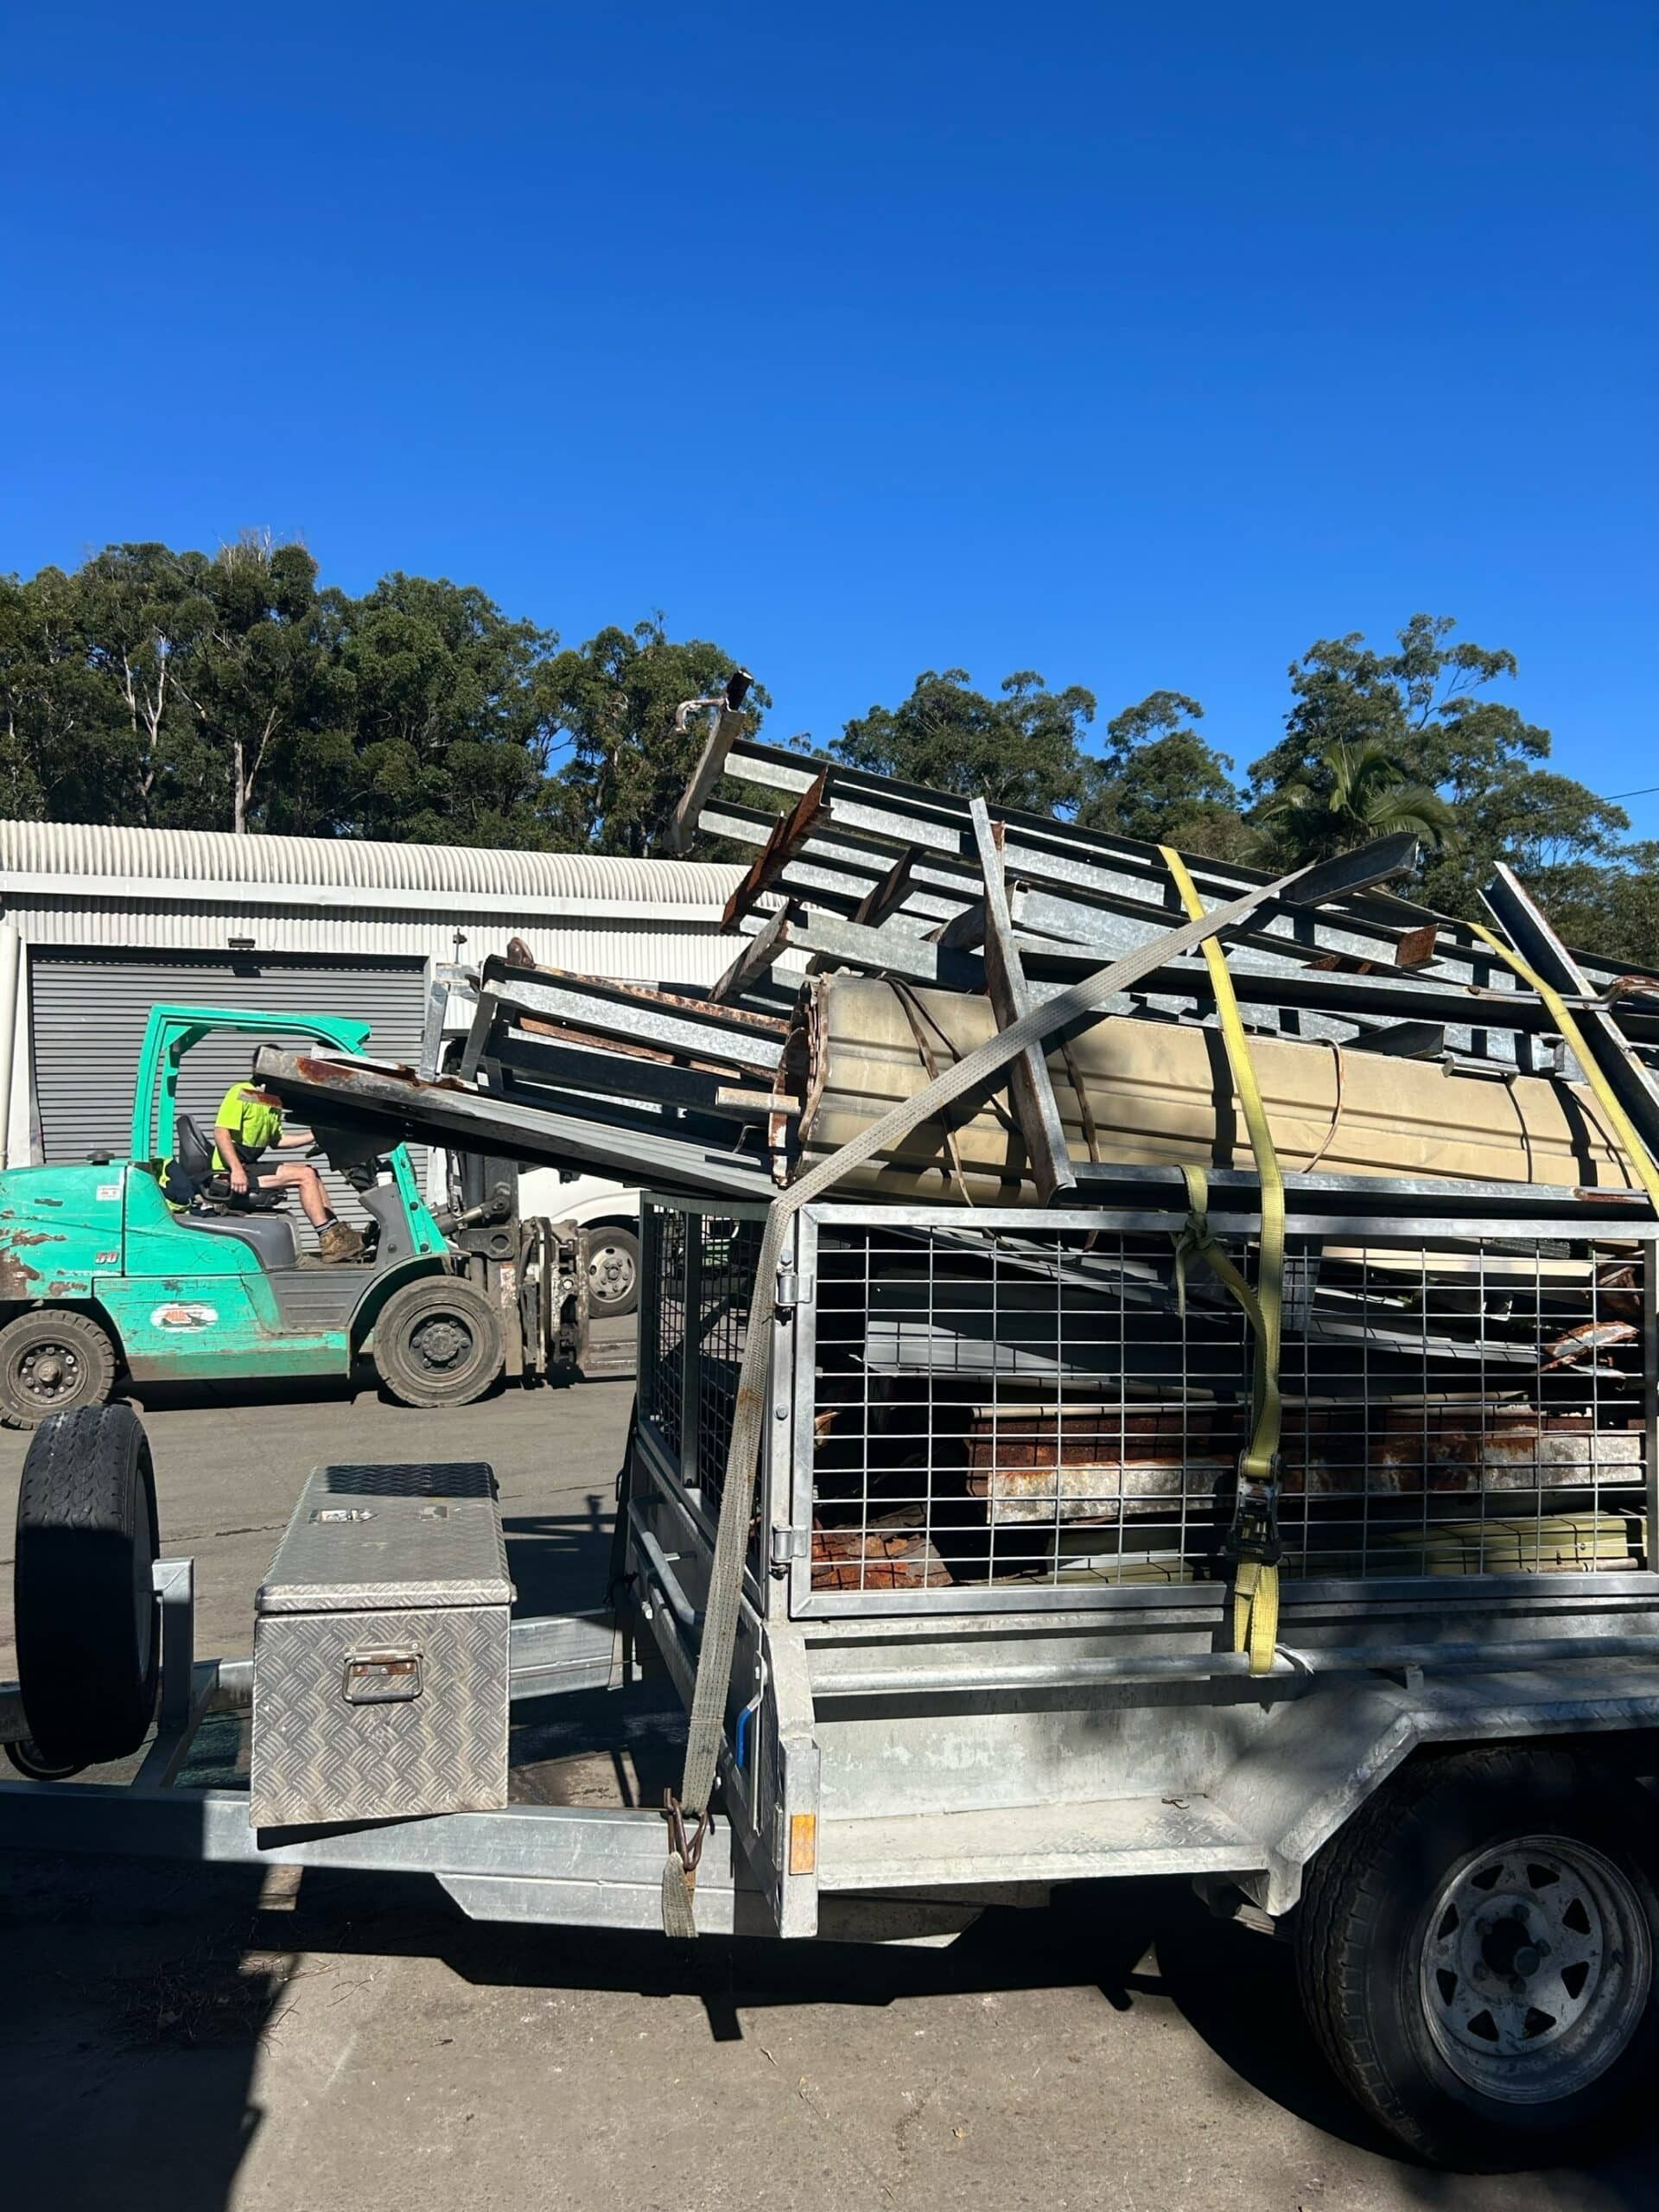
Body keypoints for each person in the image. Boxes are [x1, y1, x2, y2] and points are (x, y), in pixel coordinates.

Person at [213, 1060, 365, 1262]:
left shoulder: (269, 1101)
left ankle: (337, 1234)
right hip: (229, 1172)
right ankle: (328, 1239)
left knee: (311, 1172)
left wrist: (316, 1134)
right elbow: (221, 1132)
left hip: (248, 1167)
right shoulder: (241, 1092)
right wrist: (235, 1170)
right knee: (305, 1176)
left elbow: (277, 1141)